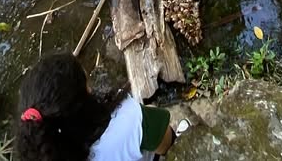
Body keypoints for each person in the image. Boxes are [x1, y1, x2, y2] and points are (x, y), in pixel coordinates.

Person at [15, 53, 188, 161]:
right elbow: (165, 143)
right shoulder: (129, 117)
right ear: (82, 101)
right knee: (170, 136)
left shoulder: (48, 152)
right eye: (86, 82)